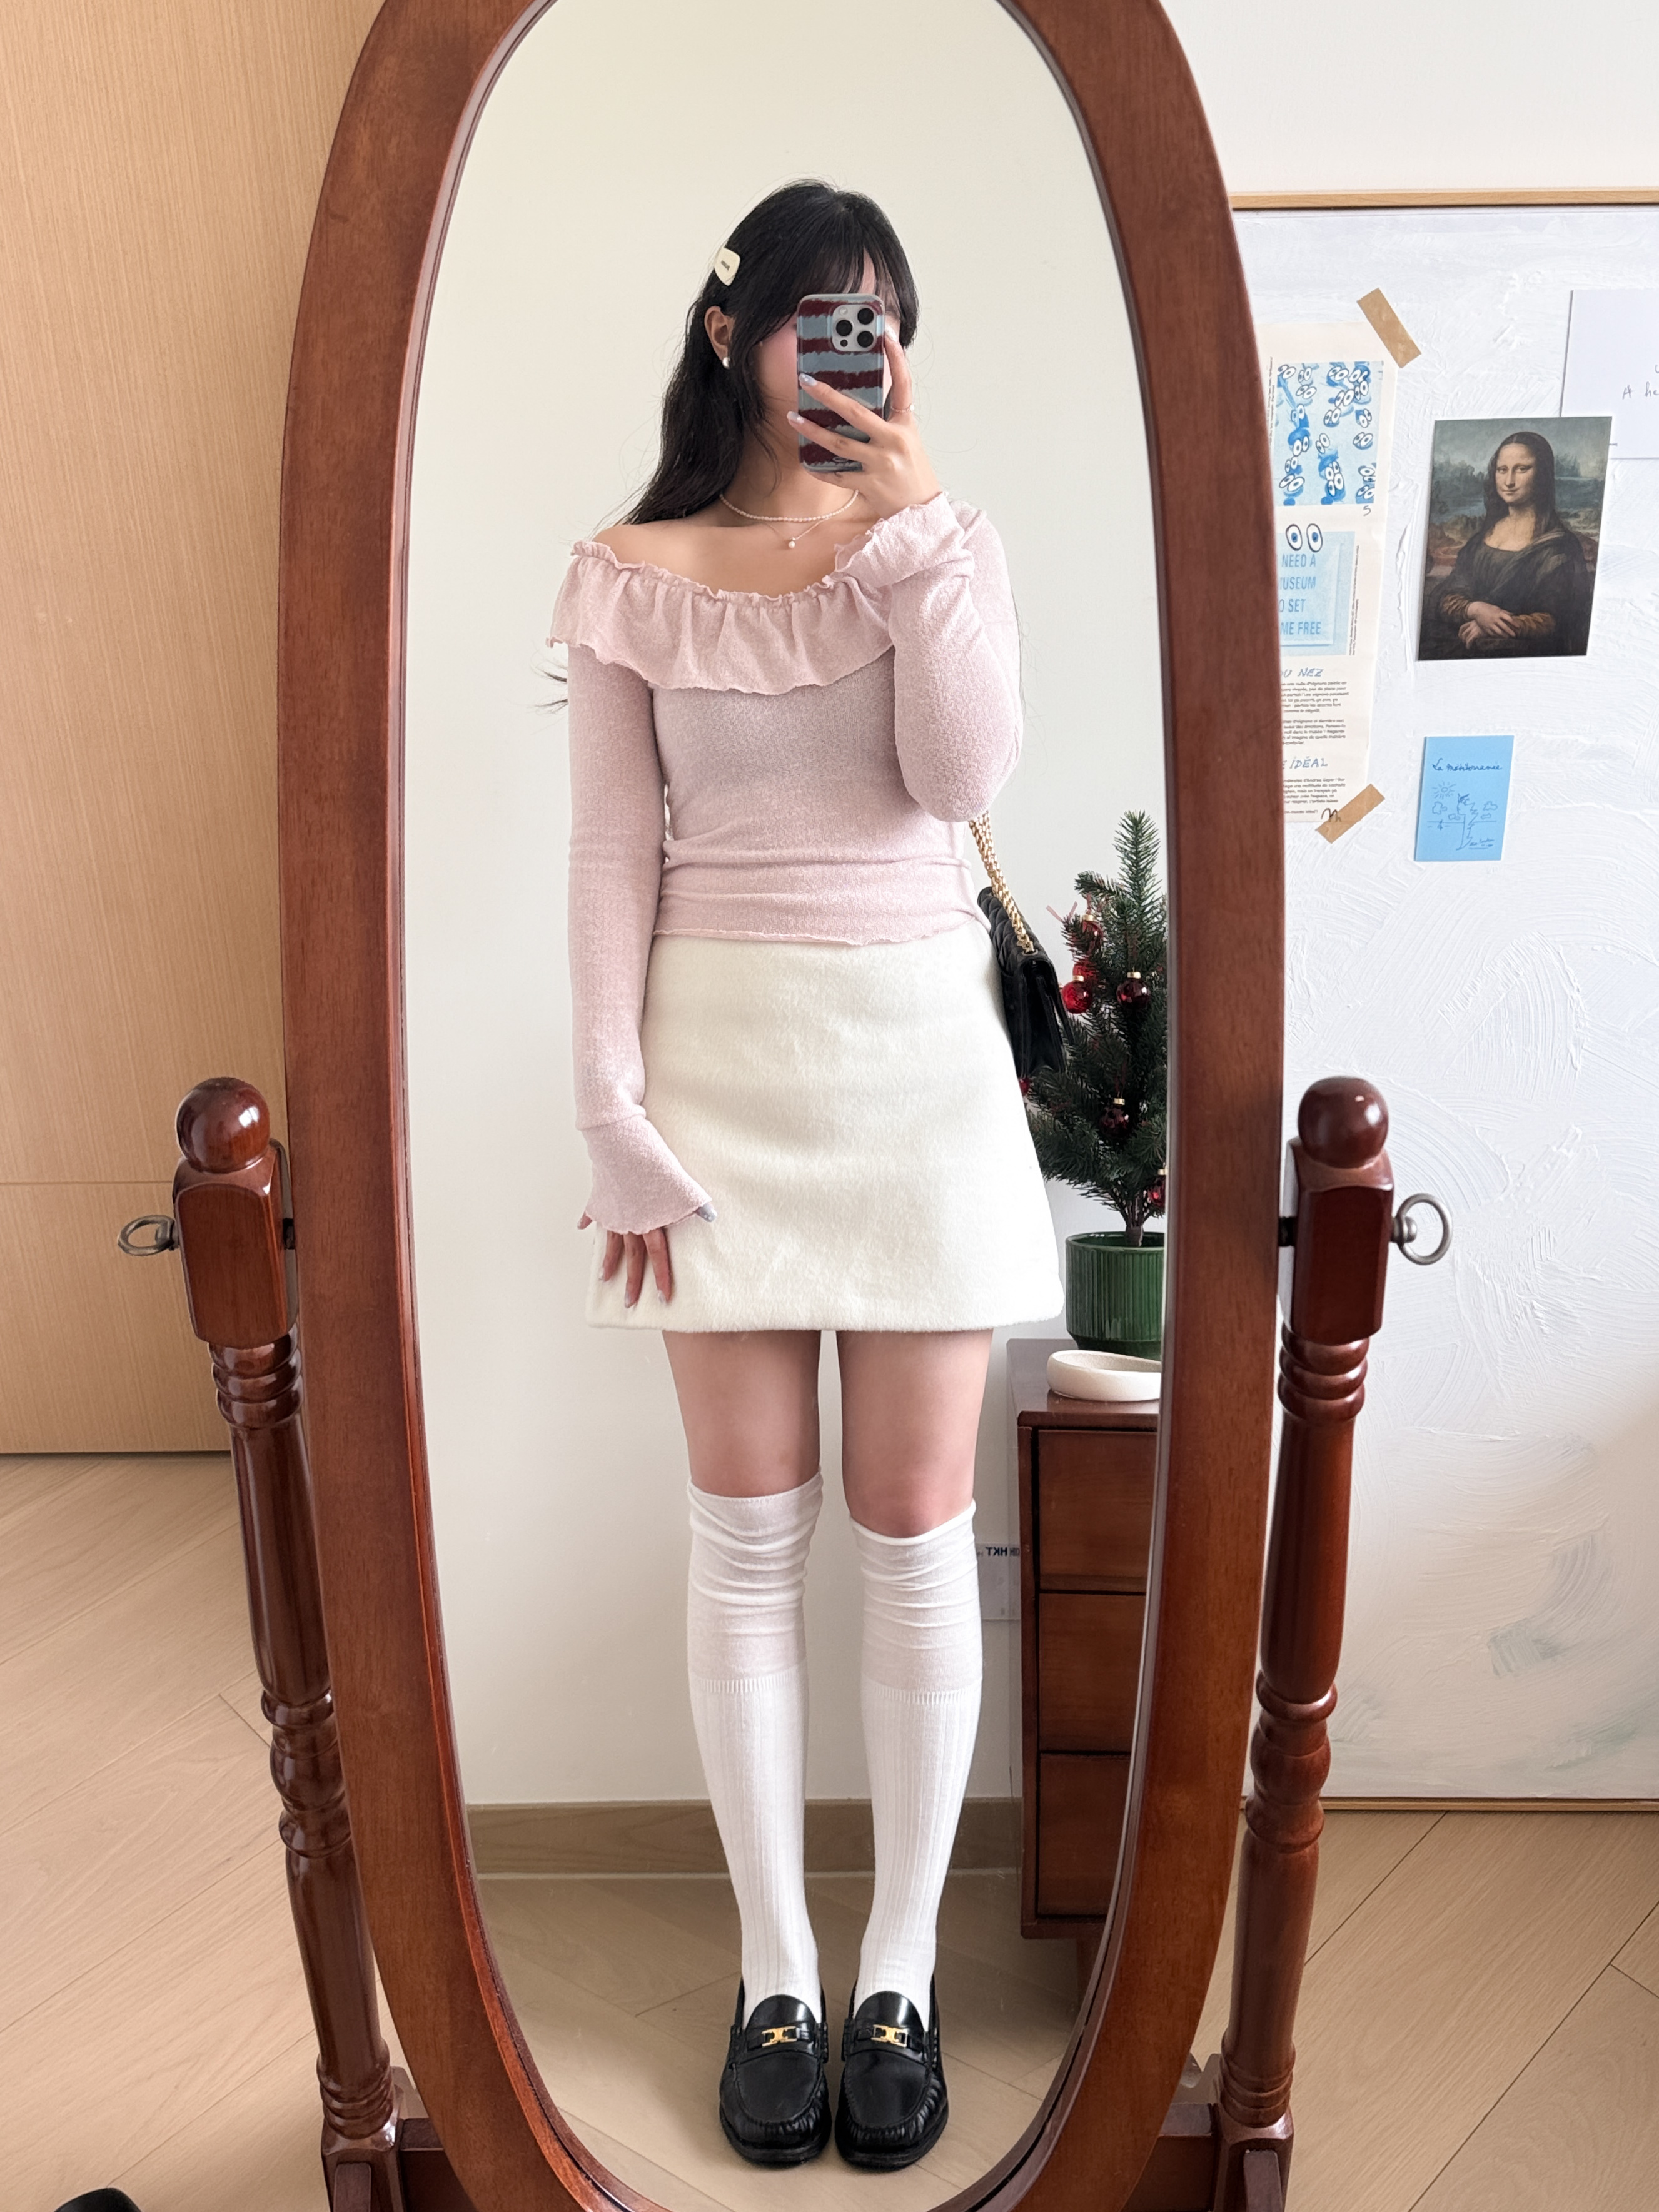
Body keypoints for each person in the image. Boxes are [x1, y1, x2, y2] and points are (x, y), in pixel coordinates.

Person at [550, 180, 1061, 2171]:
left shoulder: (943, 545)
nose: (855, 350)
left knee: (913, 1529)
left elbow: (961, 781)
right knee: (746, 1537)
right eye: (816, 315)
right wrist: (606, 1103)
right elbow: (611, 851)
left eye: (882, 319)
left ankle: (895, 1975)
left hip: (917, 1068)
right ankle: (775, 1973)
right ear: (728, 331)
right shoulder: (629, 572)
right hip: (715, 1077)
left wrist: (919, 539)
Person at [1424, 428, 1592, 659]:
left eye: (1522, 469)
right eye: (1502, 470)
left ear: (1542, 474)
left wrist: (1494, 625)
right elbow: (1446, 596)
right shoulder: (1481, 539)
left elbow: (1558, 619)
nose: (1509, 481)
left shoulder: (1560, 547)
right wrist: (1476, 610)